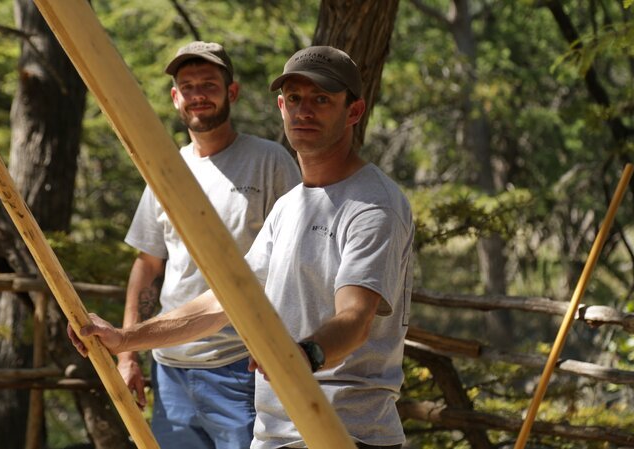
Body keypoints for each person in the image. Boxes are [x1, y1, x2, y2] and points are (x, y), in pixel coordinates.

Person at [70, 46, 413, 449]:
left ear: (353, 111)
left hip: (346, 433)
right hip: (276, 434)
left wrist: (305, 355)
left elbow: (355, 318)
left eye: (322, 99)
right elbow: (227, 302)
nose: (304, 111)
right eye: (295, 99)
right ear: (281, 108)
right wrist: (125, 339)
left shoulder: (374, 205)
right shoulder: (290, 205)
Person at [117, 41, 301, 449]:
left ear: (231, 92)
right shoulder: (165, 169)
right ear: (175, 98)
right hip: (169, 368)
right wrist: (128, 354)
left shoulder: (270, 162)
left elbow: (297, 262)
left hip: (242, 365)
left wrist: (280, 344)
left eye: (208, 85)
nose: (198, 95)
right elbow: (148, 264)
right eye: (188, 87)